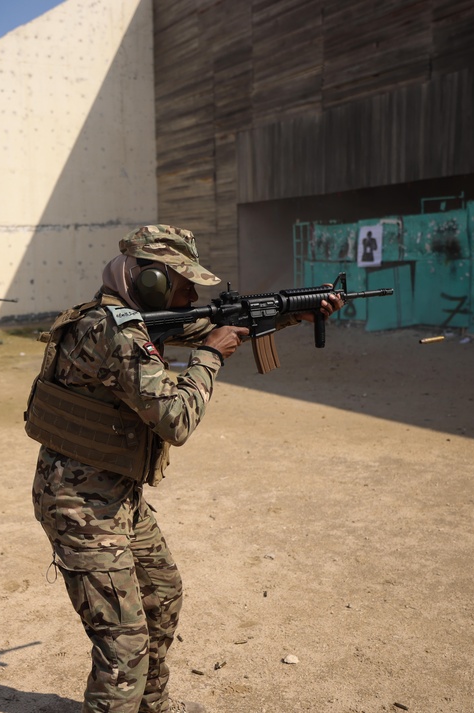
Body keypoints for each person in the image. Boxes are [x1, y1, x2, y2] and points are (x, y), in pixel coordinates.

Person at [25, 224, 343, 713]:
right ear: (151, 280)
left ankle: (151, 705)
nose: (194, 294)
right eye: (184, 282)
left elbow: (209, 322)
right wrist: (210, 358)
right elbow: (175, 419)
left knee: (162, 596)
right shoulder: (114, 331)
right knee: (123, 647)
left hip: (115, 496)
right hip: (81, 506)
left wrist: (292, 312)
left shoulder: (133, 317)